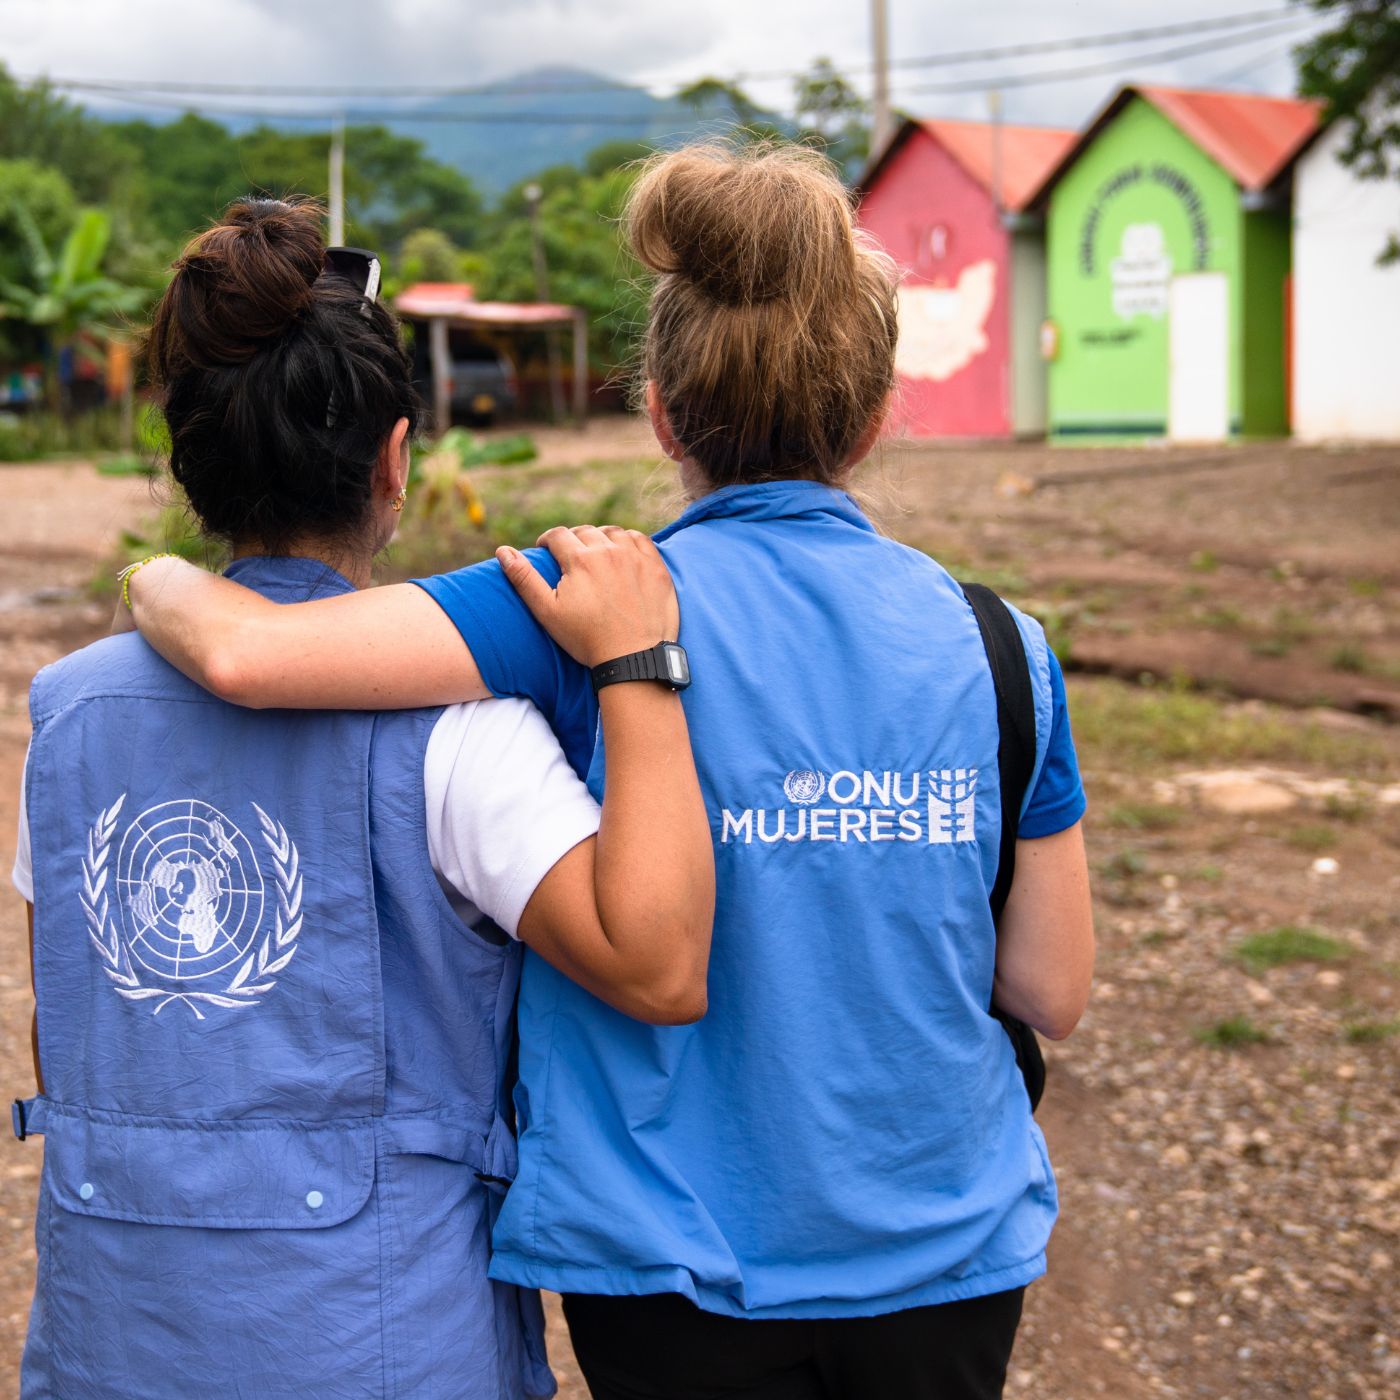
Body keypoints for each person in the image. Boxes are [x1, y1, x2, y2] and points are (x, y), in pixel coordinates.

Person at [123, 145, 1095, 1400]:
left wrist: (151, 578)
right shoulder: (998, 645)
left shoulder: (566, 603)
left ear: (660, 412)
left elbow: (251, 654)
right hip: (947, 1257)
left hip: (669, 1268)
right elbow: (1050, 986)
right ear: (870, 416)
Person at [10, 198, 714, 1400]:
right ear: (395, 458)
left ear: (186, 461)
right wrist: (636, 670)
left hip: (108, 1338)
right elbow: (655, 965)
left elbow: (71, 1032)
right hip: (390, 1342)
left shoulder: (66, 716)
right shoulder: (461, 737)